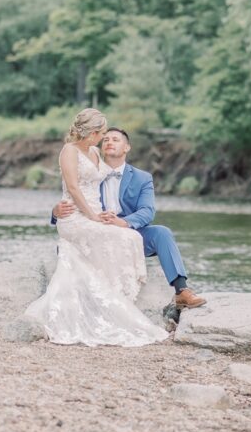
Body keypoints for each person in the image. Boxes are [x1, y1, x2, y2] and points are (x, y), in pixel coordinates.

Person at [24, 108, 168, 346]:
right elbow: (72, 188)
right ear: (91, 132)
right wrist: (90, 216)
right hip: (75, 218)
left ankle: (119, 298)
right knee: (121, 238)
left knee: (131, 237)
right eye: (102, 133)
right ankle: (109, 301)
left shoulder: (92, 151)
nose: (104, 138)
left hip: (94, 215)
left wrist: (103, 214)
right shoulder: (69, 151)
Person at [52, 127, 206, 309]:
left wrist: (124, 222)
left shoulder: (142, 178)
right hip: (95, 230)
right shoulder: (91, 173)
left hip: (130, 230)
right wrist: (55, 212)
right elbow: (71, 195)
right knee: (69, 244)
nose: (109, 142)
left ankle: (182, 291)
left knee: (162, 233)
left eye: (116, 139)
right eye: (106, 139)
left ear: (127, 148)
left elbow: (147, 211)